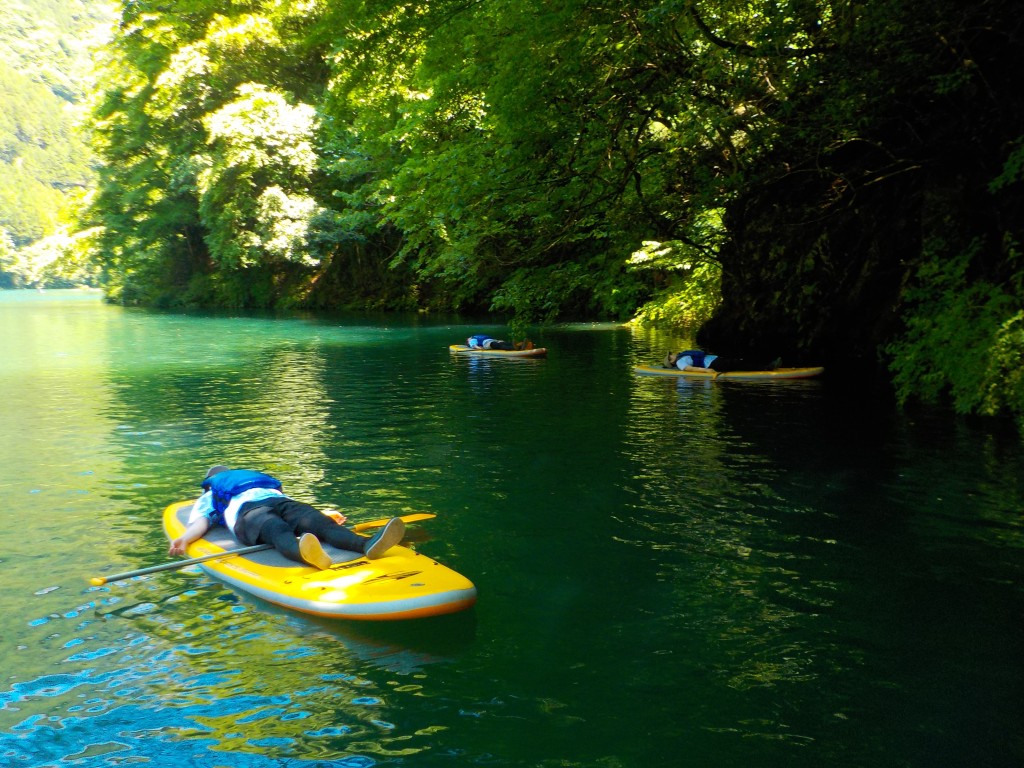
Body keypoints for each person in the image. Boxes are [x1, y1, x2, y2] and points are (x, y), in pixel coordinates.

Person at [168, 466, 406, 570]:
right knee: (296, 526)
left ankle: (362, 546)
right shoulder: (231, 488)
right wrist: (185, 538)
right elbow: (203, 520)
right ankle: (352, 547)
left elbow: (201, 522)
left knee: (298, 526)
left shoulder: (216, 492)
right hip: (263, 507)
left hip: (260, 508)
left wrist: (185, 539)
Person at [663, 349, 781, 376]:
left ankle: (765, 366)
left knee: (739, 361)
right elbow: (689, 369)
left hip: (714, 360)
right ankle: (767, 368)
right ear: (671, 360)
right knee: (739, 363)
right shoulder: (679, 363)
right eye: (671, 355)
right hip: (713, 365)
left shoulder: (682, 356)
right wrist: (707, 371)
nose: (672, 354)